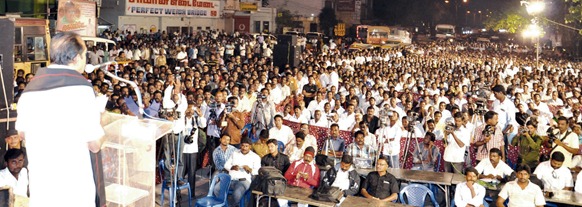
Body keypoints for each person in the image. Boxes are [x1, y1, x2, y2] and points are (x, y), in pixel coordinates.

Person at [16, 32, 105, 206]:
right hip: (73, 188)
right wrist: (102, 122)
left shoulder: (30, 90)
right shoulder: (81, 90)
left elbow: (22, 133)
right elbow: (94, 144)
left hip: (43, 187)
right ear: (76, 57)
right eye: (85, 55)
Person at [221, 138, 261, 207]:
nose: (244, 148)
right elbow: (226, 165)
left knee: (237, 194)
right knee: (216, 189)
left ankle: (231, 205)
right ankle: (228, 204)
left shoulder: (255, 157)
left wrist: (250, 169)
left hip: (243, 181)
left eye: (246, 146)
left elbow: (258, 171)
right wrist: (232, 167)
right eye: (243, 146)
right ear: (240, 146)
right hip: (231, 179)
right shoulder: (235, 153)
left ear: (250, 147)